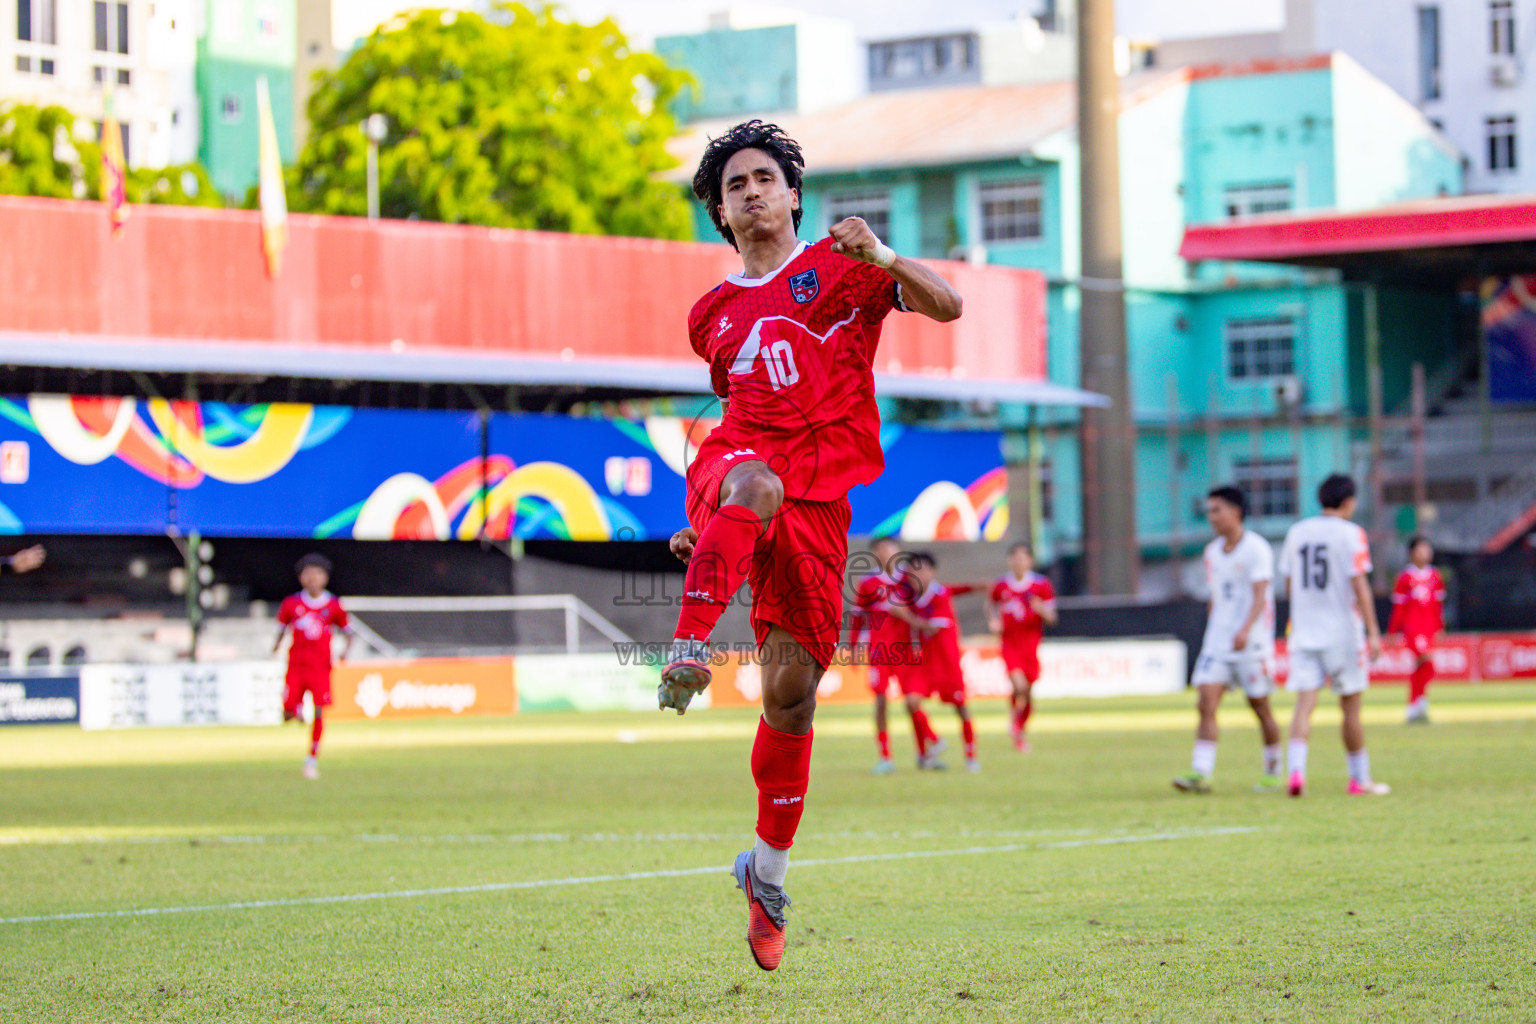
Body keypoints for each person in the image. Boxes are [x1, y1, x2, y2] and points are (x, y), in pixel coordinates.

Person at [656, 120, 962, 971]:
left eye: (764, 178)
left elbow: (948, 305)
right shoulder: (710, 316)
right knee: (753, 483)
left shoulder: (845, 265)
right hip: (742, 465)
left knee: (793, 700)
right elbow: (732, 413)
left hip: (821, 501)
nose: (751, 192)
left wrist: (885, 256)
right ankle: (686, 648)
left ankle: (767, 874)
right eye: (735, 186)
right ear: (721, 214)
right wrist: (714, 508)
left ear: (793, 194)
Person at [1277, 474, 1389, 797]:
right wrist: (1373, 632)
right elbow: (1360, 586)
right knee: (1350, 709)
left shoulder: (1297, 532)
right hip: (1342, 633)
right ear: (1349, 501)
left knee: (1304, 705)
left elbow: (1289, 584)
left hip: (1304, 632)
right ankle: (1359, 779)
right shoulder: (1351, 534)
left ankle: (1296, 772)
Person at [1172, 486, 1283, 795]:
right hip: (1218, 643)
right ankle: (1200, 772)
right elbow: (1216, 595)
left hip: (1252, 643)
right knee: (1205, 702)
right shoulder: (1212, 552)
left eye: (1216, 510)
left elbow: (1261, 594)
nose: (1211, 517)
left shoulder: (1256, 548)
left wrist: (1245, 629)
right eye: (1209, 511)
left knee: (1260, 706)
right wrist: (1215, 628)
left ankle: (1273, 771)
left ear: (1235, 511)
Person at [852, 536, 940, 774]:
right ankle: (885, 757)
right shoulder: (867, 583)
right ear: (874, 554)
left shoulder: (909, 579)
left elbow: (927, 603)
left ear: (898, 551)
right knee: (881, 700)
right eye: (880, 549)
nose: (885, 553)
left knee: (913, 701)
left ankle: (924, 753)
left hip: (906, 651)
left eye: (889, 548)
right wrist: (853, 647)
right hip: (878, 651)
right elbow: (858, 616)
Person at [273, 553, 353, 780]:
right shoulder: (291, 604)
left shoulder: (333, 605)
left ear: (325, 577)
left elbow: (348, 631)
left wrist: (345, 652)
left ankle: (311, 759)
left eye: (318, 573)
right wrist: (274, 648)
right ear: (301, 577)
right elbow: (281, 629)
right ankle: (295, 710)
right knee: (287, 710)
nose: (313, 578)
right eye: (308, 574)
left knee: (319, 710)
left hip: (320, 667)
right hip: (296, 666)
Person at [907, 553, 981, 773]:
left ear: (933, 572)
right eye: (913, 570)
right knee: (911, 701)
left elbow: (931, 627)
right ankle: (934, 741)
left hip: (947, 662)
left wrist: (904, 616)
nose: (918, 574)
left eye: (922, 569)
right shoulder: (911, 597)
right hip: (925, 662)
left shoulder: (940, 594)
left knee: (960, 708)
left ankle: (971, 755)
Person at [987, 541, 1056, 752]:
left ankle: (1019, 728)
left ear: (1030, 561)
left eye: (1022, 558)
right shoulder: (1001, 585)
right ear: (1009, 561)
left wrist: (1040, 609)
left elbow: (1052, 618)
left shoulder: (1041, 585)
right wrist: (993, 620)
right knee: (1019, 686)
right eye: (1015, 558)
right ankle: (1015, 725)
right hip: (1010, 643)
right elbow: (990, 604)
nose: (1018, 562)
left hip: (1031, 644)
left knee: (1028, 692)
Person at [1387, 536, 1445, 725]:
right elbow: (1399, 608)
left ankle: (1416, 706)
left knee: (1422, 667)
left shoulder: (1435, 576)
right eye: (1421, 550)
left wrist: (1440, 627)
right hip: (1413, 627)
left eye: (1427, 549)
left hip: (1429, 627)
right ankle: (1417, 705)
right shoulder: (1405, 577)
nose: (1425, 553)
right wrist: (1393, 631)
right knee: (1427, 662)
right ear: (1412, 553)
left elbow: (1438, 605)